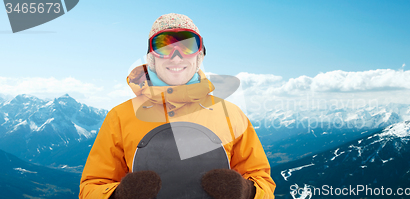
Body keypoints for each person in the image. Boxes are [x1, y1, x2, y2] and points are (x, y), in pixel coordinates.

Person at [79, 13, 276, 199]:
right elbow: (91, 187)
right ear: (152, 57)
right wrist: (118, 195)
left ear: (200, 56)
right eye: (164, 46)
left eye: (187, 46)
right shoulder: (121, 117)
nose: (176, 56)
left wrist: (246, 191)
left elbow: (263, 182)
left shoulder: (230, 115)